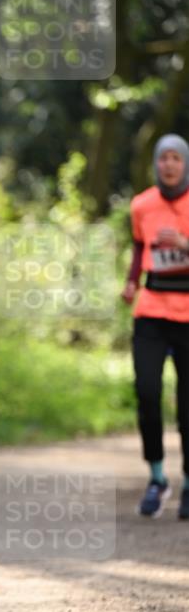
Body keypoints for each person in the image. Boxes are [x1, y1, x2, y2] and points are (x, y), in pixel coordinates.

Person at [121, 133, 189, 520]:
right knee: (147, 393)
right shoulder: (142, 204)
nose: (168, 164)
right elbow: (138, 247)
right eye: (163, 158)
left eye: (176, 158)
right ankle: (157, 477)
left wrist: (183, 242)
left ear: (185, 163)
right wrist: (132, 281)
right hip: (151, 311)